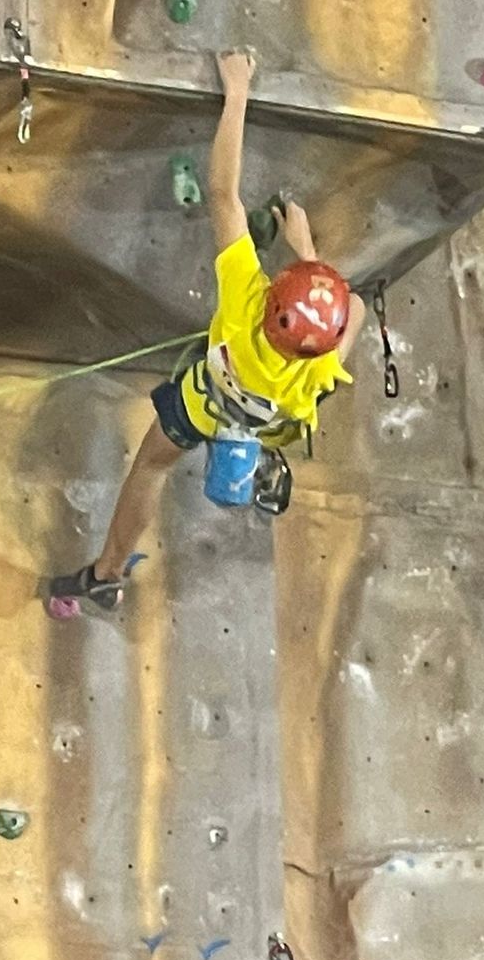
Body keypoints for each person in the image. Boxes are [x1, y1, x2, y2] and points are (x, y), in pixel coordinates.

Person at [47, 50, 366, 617]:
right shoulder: (320, 362)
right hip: (273, 418)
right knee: (284, 406)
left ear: (271, 302)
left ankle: (106, 573)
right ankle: (260, 461)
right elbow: (353, 309)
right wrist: (311, 256)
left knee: (151, 465)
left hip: (205, 401)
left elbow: (223, 194)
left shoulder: (246, 303)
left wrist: (237, 91)